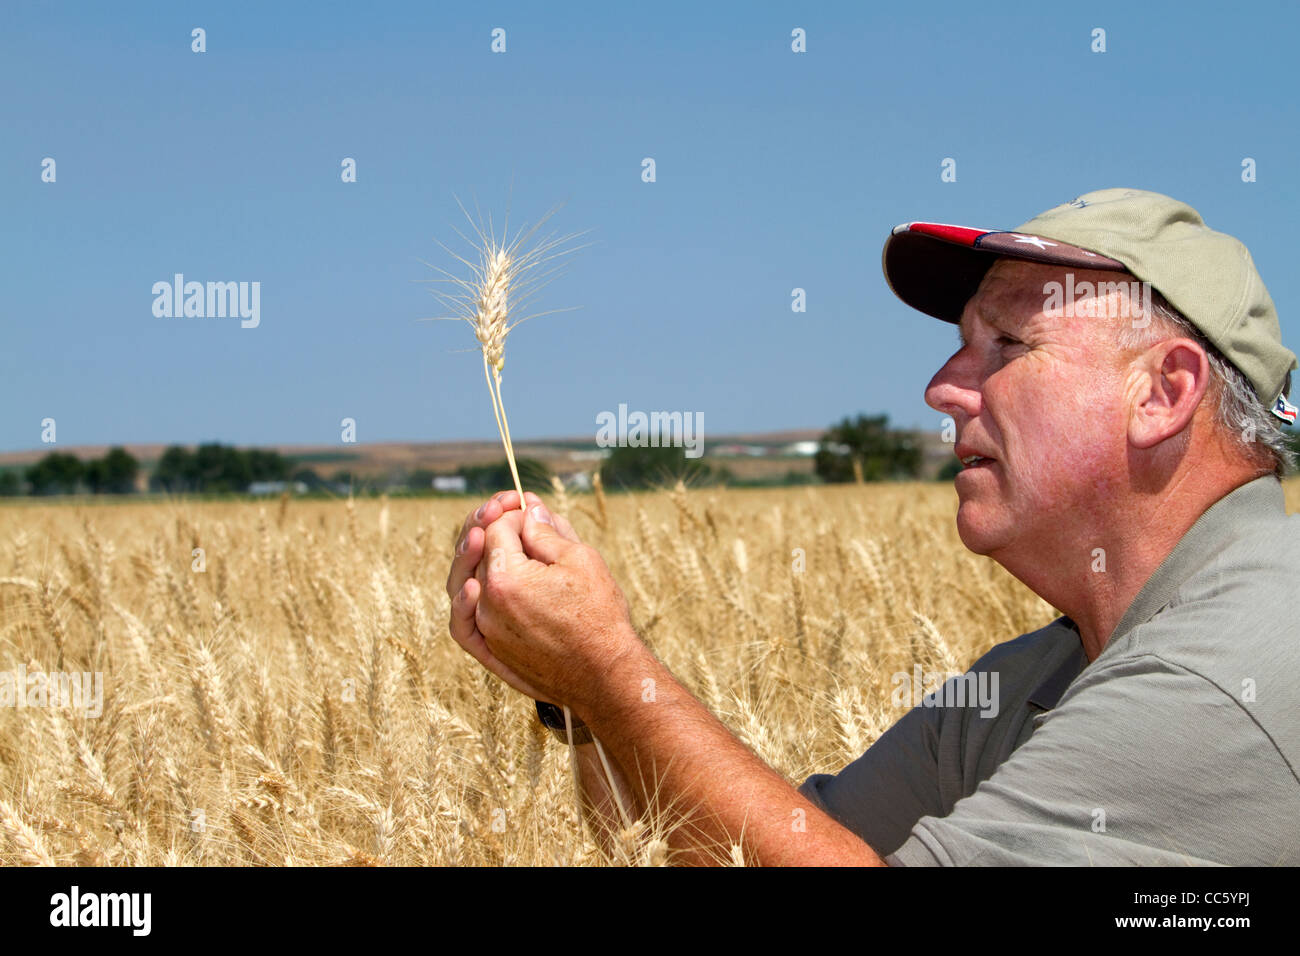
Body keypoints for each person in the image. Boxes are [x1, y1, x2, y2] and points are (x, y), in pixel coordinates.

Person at [444, 188, 1300, 865]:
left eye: (1006, 345)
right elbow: (728, 854)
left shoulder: (1240, 661)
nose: (941, 385)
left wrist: (607, 666)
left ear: (1163, 393)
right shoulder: (1036, 677)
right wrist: (585, 703)